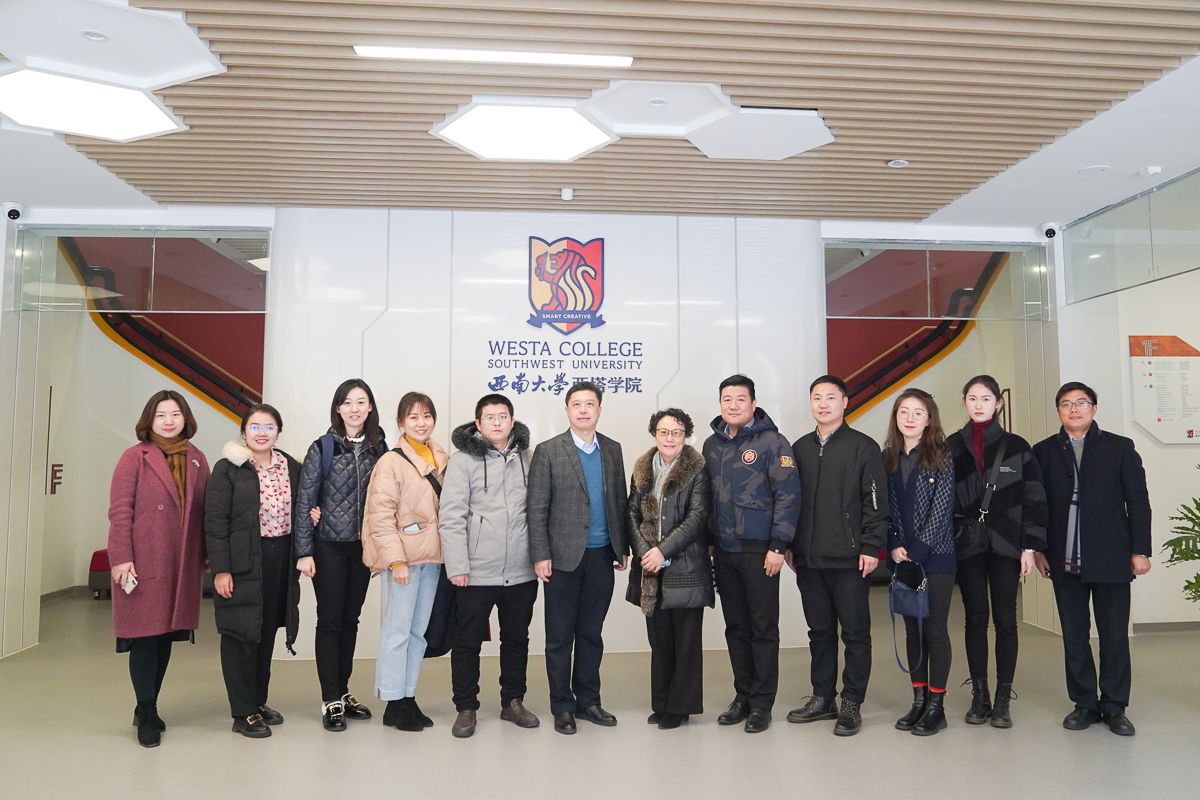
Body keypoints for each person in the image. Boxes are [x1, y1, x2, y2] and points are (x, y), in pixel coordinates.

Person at [1033, 382, 1152, 736]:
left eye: (1081, 403)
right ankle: (1084, 704)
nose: (1074, 409)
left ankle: (1114, 706)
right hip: (1062, 558)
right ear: (1058, 411)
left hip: (1111, 556)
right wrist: (1038, 549)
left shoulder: (1120, 447)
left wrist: (1140, 551)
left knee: (1114, 636)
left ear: (1094, 408)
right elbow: (1036, 506)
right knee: (1074, 636)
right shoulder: (1043, 451)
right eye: (1066, 404)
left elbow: (1138, 502)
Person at [786, 375, 888, 736]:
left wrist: (871, 546)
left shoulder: (863, 447)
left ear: (845, 402)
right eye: (817, 397)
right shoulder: (799, 448)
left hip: (850, 560)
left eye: (831, 397)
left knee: (855, 635)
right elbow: (790, 502)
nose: (823, 404)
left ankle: (851, 702)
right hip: (809, 560)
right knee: (820, 633)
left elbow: (875, 502)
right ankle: (823, 697)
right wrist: (789, 544)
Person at [107, 390, 211, 748]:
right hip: (144, 560)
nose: (169, 421)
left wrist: (209, 558)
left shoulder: (197, 459)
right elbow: (120, 511)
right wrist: (121, 556)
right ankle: (146, 710)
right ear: (149, 420)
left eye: (175, 414)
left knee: (166, 635)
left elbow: (206, 513)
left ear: (186, 418)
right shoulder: (134, 457)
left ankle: (148, 704)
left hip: (182, 562)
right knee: (145, 635)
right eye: (161, 415)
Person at [527, 381, 629, 735]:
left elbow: (619, 500)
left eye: (590, 404)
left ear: (599, 409)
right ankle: (562, 706)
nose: (583, 410)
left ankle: (588, 701)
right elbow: (536, 508)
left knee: (591, 633)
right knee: (559, 637)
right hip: (561, 559)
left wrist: (621, 547)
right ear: (567, 410)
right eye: (577, 404)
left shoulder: (612, 449)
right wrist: (540, 554)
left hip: (602, 555)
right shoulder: (548, 451)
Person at [946, 375, 1047, 728]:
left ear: (998, 403)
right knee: (974, 618)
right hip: (967, 544)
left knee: (1005, 619)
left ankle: (1003, 698)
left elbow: (1034, 498)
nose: (979, 405)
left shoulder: (1017, 446)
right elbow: (941, 500)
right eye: (972, 398)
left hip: (1007, 544)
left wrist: (1030, 547)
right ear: (964, 401)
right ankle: (980, 695)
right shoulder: (950, 446)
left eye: (986, 398)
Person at [439, 394, 540, 738]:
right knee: (467, 641)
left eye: (503, 416)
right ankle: (466, 707)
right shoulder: (462, 461)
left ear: (512, 421)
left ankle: (513, 701)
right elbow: (451, 516)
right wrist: (457, 565)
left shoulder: (529, 457)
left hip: (521, 569)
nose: (497, 422)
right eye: (490, 417)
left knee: (516, 639)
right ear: (478, 423)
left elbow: (538, 510)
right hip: (476, 571)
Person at [703, 374, 799, 734]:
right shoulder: (711, 445)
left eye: (740, 399)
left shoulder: (773, 442)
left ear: (753, 404)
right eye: (726, 399)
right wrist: (708, 541)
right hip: (724, 551)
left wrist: (778, 546)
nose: (733, 405)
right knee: (736, 628)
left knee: (763, 629)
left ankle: (762, 703)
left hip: (761, 552)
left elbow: (788, 495)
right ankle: (742, 696)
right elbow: (705, 498)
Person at [294, 379, 387, 732]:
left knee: (351, 621)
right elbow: (305, 501)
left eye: (361, 402)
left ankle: (344, 691)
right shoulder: (323, 447)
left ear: (370, 407)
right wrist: (304, 551)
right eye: (347, 402)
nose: (354, 408)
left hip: (362, 549)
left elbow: (387, 501)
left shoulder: (380, 447)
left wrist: (382, 550)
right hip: (328, 546)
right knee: (330, 621)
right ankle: (330, 698)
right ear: (338, 408)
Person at [205, 403, 302, 739]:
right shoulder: (228, 468)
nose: (262, 433)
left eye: (269, 426)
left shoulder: (290, 466)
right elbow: (215, 523)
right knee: (239, 633)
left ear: (278, 431)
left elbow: (304, 506)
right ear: (243, 431)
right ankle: (242, 711)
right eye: (255, 427)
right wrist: (221, 570)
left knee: (265, 632)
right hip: (242, 560)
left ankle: (258, 702)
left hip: (281, 557)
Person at [363, 391, 448, 732]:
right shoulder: (391, 462)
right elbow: (380, 516)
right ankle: (392, 702)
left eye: (426, 416)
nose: (421, 422)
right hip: (404, 563)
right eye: (413, 417)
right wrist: (396, 561)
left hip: (433, 559)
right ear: (400, 422)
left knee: (417, 634)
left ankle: (408, 697)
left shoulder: (441, 457)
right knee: (397, 631)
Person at [626, 408, 713, 730]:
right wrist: (645, 552)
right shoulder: (642, 467)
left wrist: (662, 551)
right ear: (655, 434)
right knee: (660, 640)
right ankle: (662, 703)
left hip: (685, 565)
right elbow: (631, 513)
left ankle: (681, 707)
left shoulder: (698, 469)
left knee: (686, 641)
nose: (670, 438)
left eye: (677, 432)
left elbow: (697, 517)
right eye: (664, 432)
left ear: (685, 435)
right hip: (651, 568)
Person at [882, 389, 956, 736]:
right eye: (903, 412)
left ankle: (937, 708)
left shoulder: (942, 455)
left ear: (929, 419)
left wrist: (920, 548)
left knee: (935, 631)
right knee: (912, 630)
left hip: (936, 557)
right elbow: (883, 507)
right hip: (902, 558)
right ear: (896, 417)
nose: (910, 418)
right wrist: (894, 544)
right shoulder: (886, 457)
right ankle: (919, 701)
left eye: (918, 413)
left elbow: (942, 508)